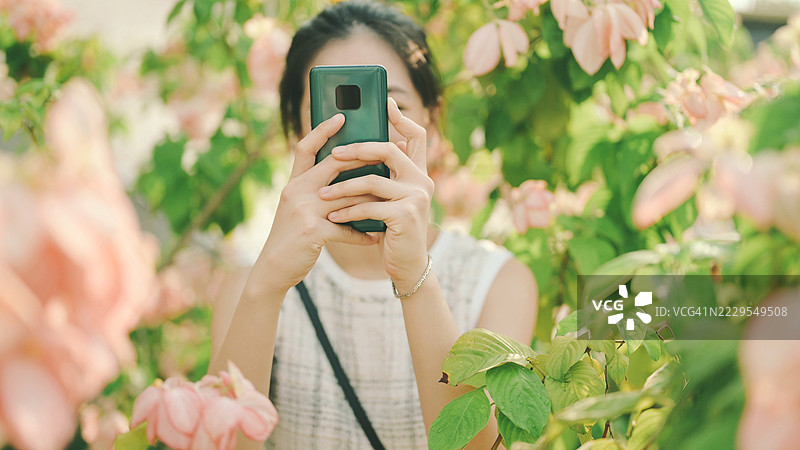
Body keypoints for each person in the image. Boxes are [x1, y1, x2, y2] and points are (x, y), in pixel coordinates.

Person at [210, 1, 538, 448]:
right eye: (331, 112)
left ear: (433, 125)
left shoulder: (496, 281)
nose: (361, 136)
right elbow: (222, 442)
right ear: (294, 134)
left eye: (392, 106)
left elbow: (481, 447)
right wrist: (266, 288)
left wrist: (413, 277)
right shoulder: (251, 282)